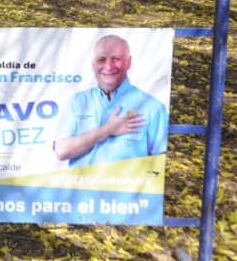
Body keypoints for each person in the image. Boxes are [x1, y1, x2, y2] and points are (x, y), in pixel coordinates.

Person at [54, 34, 169, 168]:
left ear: (129, 62)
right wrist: (107, 130)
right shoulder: (77, 103)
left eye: (116, 59)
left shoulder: (152, 107)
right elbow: (61, 151)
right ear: (93, 64)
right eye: (102, 60)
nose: (109, 66)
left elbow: (161, 166)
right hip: (79, 188)